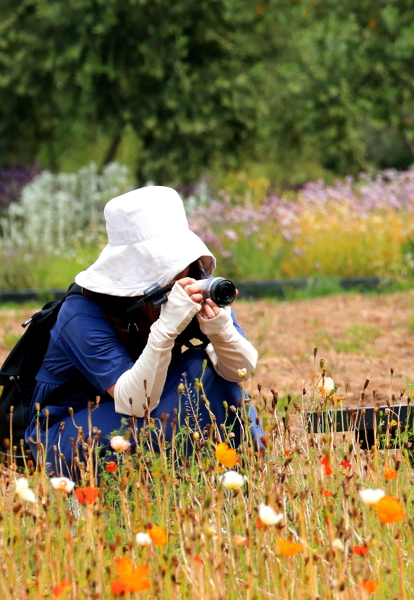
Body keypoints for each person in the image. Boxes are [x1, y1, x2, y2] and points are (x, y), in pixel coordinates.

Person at [25, 186, 263, 479]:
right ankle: (126, 497)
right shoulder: (82, 313)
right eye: (167, 266)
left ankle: (247, 485)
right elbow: (136, 402)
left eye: (185, 264)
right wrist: (166, 329)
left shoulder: (199, 283)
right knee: (191, 387)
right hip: (70, 432)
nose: (184, 276)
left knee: (211, 373)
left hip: (144, 412)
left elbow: (240, 370)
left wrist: (221, 328)